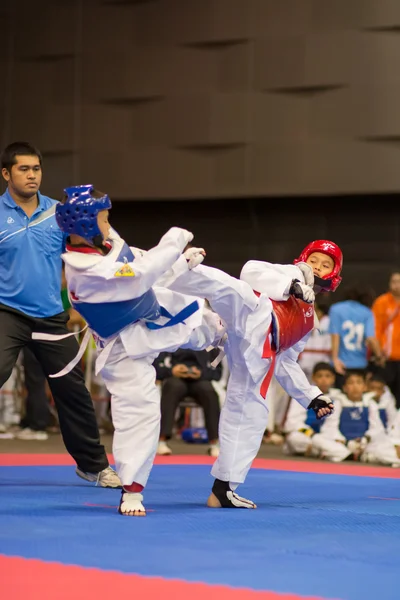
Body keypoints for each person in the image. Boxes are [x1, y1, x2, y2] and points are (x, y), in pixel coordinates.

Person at [54, 184, 223, 516]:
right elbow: (141, 275)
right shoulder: (85, 270)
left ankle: (226, 333)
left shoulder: (104, 240)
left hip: (149, 316)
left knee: (204, 321)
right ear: (85, 225)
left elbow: (141, 262)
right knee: (140, 414)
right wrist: (174, 241)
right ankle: (131, 489)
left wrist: (181, 263)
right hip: (122, 347)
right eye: (103, 219)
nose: (108, 224)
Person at [164, 239, 340, 508]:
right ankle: (163, 271)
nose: (317, 268)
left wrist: (312, 396)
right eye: (314, 260)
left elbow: (286, 362)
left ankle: (224, 487)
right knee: (226, 288)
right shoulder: (290, 273)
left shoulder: (308, 321)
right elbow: (249, 271)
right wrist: (291, 286)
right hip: (253, 312)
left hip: (256, 353)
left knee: (251, 414)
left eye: (325, 265)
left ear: (333, 275)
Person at [0, 142, 120, 487]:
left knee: (73, 390)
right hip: (7, 312)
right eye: (23, 169)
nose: (32, 175)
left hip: (52, 316)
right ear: (7, 174)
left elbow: (87, 255)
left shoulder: (59, 213)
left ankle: (93, 466)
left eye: (36, 169)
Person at [318, 371, 400, 467]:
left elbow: (377, 429)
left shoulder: (370, 404)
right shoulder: (338, 403)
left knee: (384, 446)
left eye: (359, 383)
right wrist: (346, 442)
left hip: (365, 445)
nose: (355, 386)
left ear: (364, 387)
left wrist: (365, 439)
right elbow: (330, 428)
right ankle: (353, 456)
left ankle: (357, 456)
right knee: (318, 439)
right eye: (351, 383)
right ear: (345, 388)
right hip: (344, 444)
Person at [155, 348, 222, 457]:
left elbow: (217, 371)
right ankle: (161, 440)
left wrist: (201, 373)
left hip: (201, 379)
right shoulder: (170, 338)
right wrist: (172, 370)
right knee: (172, 387)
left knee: (209, 392)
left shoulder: (210, 341)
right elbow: (157, 366)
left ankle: (215, 442)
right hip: (175, 378)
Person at [281, 362, 348, 462]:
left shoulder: (336, 399)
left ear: (333, 379)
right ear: (313, 378)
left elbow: (331, 426)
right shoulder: (302, 396)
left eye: (327, 376)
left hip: (322, 437)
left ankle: (316, 450)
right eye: (320, 376)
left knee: (338, 442)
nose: (324, 380)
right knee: (294, 438)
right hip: (305, 437)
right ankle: (323, 451)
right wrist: (311, 434)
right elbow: (292, 423)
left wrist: (332, 438)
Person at [328, 285, 383, 388]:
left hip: (341, 364)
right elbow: (371, 339)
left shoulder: (336, 309)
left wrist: (335, 358)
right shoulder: (367, 312)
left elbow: (335, 335)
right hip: (360, 364)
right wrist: (379, 356)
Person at [372, 271, 400, 408]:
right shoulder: (381, 302)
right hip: (386, 359)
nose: (396, 285)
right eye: (394, 282)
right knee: (385, 395)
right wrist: (378, 353)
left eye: (399, 282)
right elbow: (375, 330)